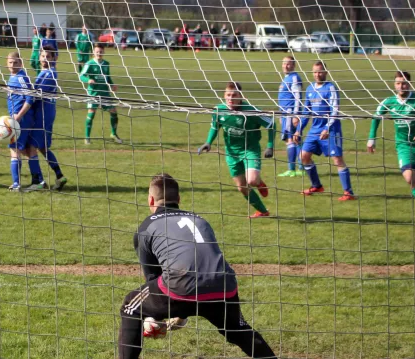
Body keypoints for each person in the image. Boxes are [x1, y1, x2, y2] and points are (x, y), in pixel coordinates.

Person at [119, 173, 278, 359]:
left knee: (130, 307)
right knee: (237, 329)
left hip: (181, 285)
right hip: (223, 283)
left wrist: (153, 318)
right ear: (178, 199)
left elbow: (154, 280)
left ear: (151, 200)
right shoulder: (200, 219)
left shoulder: (145, 227)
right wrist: (180, 314)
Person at [198, 82, 274, 218]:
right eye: (228, 95)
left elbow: (271, 123)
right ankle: (263, 211)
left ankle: (259, 182)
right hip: (231, 153)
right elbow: (215, 127)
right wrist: (208, 142)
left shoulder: (251, 111)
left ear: (241, 96)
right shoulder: (218, 110)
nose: (231, 98)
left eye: (234, 95)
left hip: (250, 150)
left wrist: (270, 146)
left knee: (251, 181)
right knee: (242, 188)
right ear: (224, 95)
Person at [294, 61, 355, 201]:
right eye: (315, 72)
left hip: (331, 130)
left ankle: (348, 192)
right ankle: (317, 186)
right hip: (314, 130)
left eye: (320, 71)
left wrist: (327, 128)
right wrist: (298, 130)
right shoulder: (310, 89)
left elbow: (335, 110)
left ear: (326, 72)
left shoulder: (330, 88)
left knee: (337, 159)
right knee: (303, 156)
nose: (317, 74)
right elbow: (306, 112)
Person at [368, 71, 415, 198]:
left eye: (404, 83)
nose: (401, 86)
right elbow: (376, 116)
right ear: (394, 85)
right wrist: (371, 138)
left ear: (410, 84)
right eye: (398, 83)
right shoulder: (389, 101)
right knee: (409, 178)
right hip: (404, 146)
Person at [25, 45, 68, 192]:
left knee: (31, 147)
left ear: (54, 58)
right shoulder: (44, 72)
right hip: (46, 114)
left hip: (43, 115)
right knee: (43, 147)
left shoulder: (50, 74)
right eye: (43, 56)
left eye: (48, 56)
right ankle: (59, 176)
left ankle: (37, 182)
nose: (44, 59)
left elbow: (36, 94)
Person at [5, 52, 38, 192]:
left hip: (21, 119)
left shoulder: (21, 77)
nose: (13, 65)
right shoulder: (12, 77)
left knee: (15, 149)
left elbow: (30, 98)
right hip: (18, 118)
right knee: (27, 150)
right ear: (7, 63)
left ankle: (17, 184)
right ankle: (38, 180)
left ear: (21, 63)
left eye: (16, 63)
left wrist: (18, 116)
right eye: (11, 63)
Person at [80, 43, 122, 145]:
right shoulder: (89, 63)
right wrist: (88, 79)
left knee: (114, 112)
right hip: (93, 93)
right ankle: (87, 137)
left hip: (105, 93)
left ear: (104, 52)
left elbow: (107, 77)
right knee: (91, 113)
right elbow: (81, 76)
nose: (99, 53)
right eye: (97, 51)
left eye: (101, 51)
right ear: (93, 52)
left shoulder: (106, 64)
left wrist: (112, 85)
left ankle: (113, 134)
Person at [277, 56, 304, 177]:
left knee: (290, 140)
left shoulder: (294, 78)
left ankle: (292, 169)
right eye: (284, 63)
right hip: (285, 113)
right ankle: (301, 168)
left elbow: (297, 96)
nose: (285, 66)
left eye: (288, 64)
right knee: (295, 139)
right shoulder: (287, 78)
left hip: (290, 113)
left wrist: (296, 114)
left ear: (294, 65)